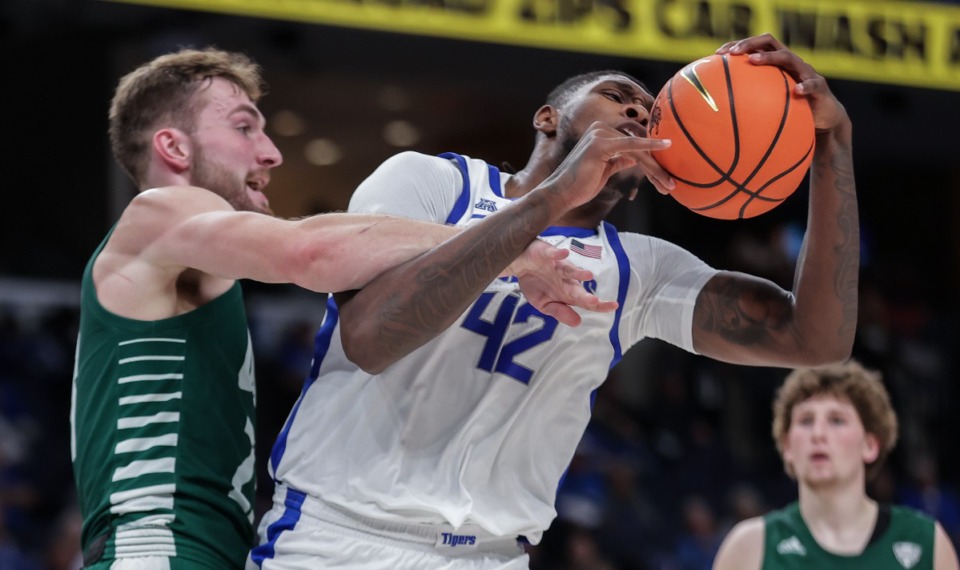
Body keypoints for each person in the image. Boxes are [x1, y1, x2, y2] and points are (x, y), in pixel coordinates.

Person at [251, 34, 860, 570]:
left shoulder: (639, 270)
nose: (636, 112)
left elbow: (818, 341)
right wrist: (555, 196)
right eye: (618, 94)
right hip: (339, 537)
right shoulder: (433, 184)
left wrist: (833, 144)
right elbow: (370, 338)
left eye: (650, 115)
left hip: (494, 554)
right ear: (547, 117)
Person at [70, 47, 665, 570]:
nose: (272, 153)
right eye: (245, 128)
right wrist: (515, 242)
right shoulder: (158, 214)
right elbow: (312, 254)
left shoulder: (194, 266)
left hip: (207, 549)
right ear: (173, 146)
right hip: (155, 550)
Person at [712, 361, 960, 570]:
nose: (818, 433)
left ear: (870, 445)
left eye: (837, 420)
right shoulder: (749, 547)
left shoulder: (926, 542)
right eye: (806, 420)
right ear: (787, 447)